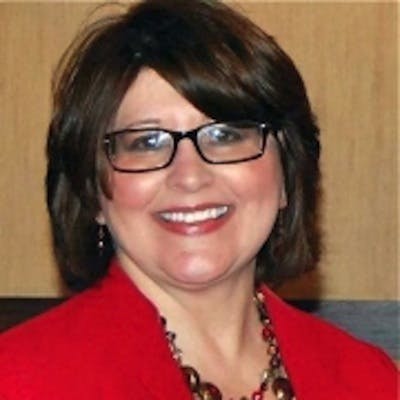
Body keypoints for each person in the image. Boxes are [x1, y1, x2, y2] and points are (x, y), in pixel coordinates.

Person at [0, 0, 397, 399]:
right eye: (146, 142)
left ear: (286, 175)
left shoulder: (370, 381)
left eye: (225, 135)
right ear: (92, 193)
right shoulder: (18, 380)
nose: (190, 176)